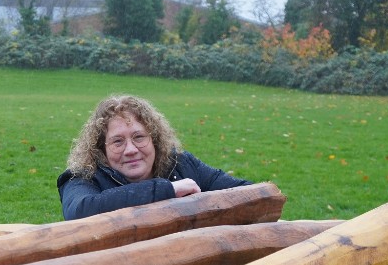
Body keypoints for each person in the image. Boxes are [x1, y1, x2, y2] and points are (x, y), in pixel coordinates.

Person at [57, 94, 252, 220]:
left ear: (154, 140)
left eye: (139, 137)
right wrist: (168, 190)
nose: (130, 149)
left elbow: (248, 193)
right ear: (102, 148)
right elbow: (79, 212)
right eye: (118, 142)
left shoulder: (180, 164)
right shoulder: (81, 177)